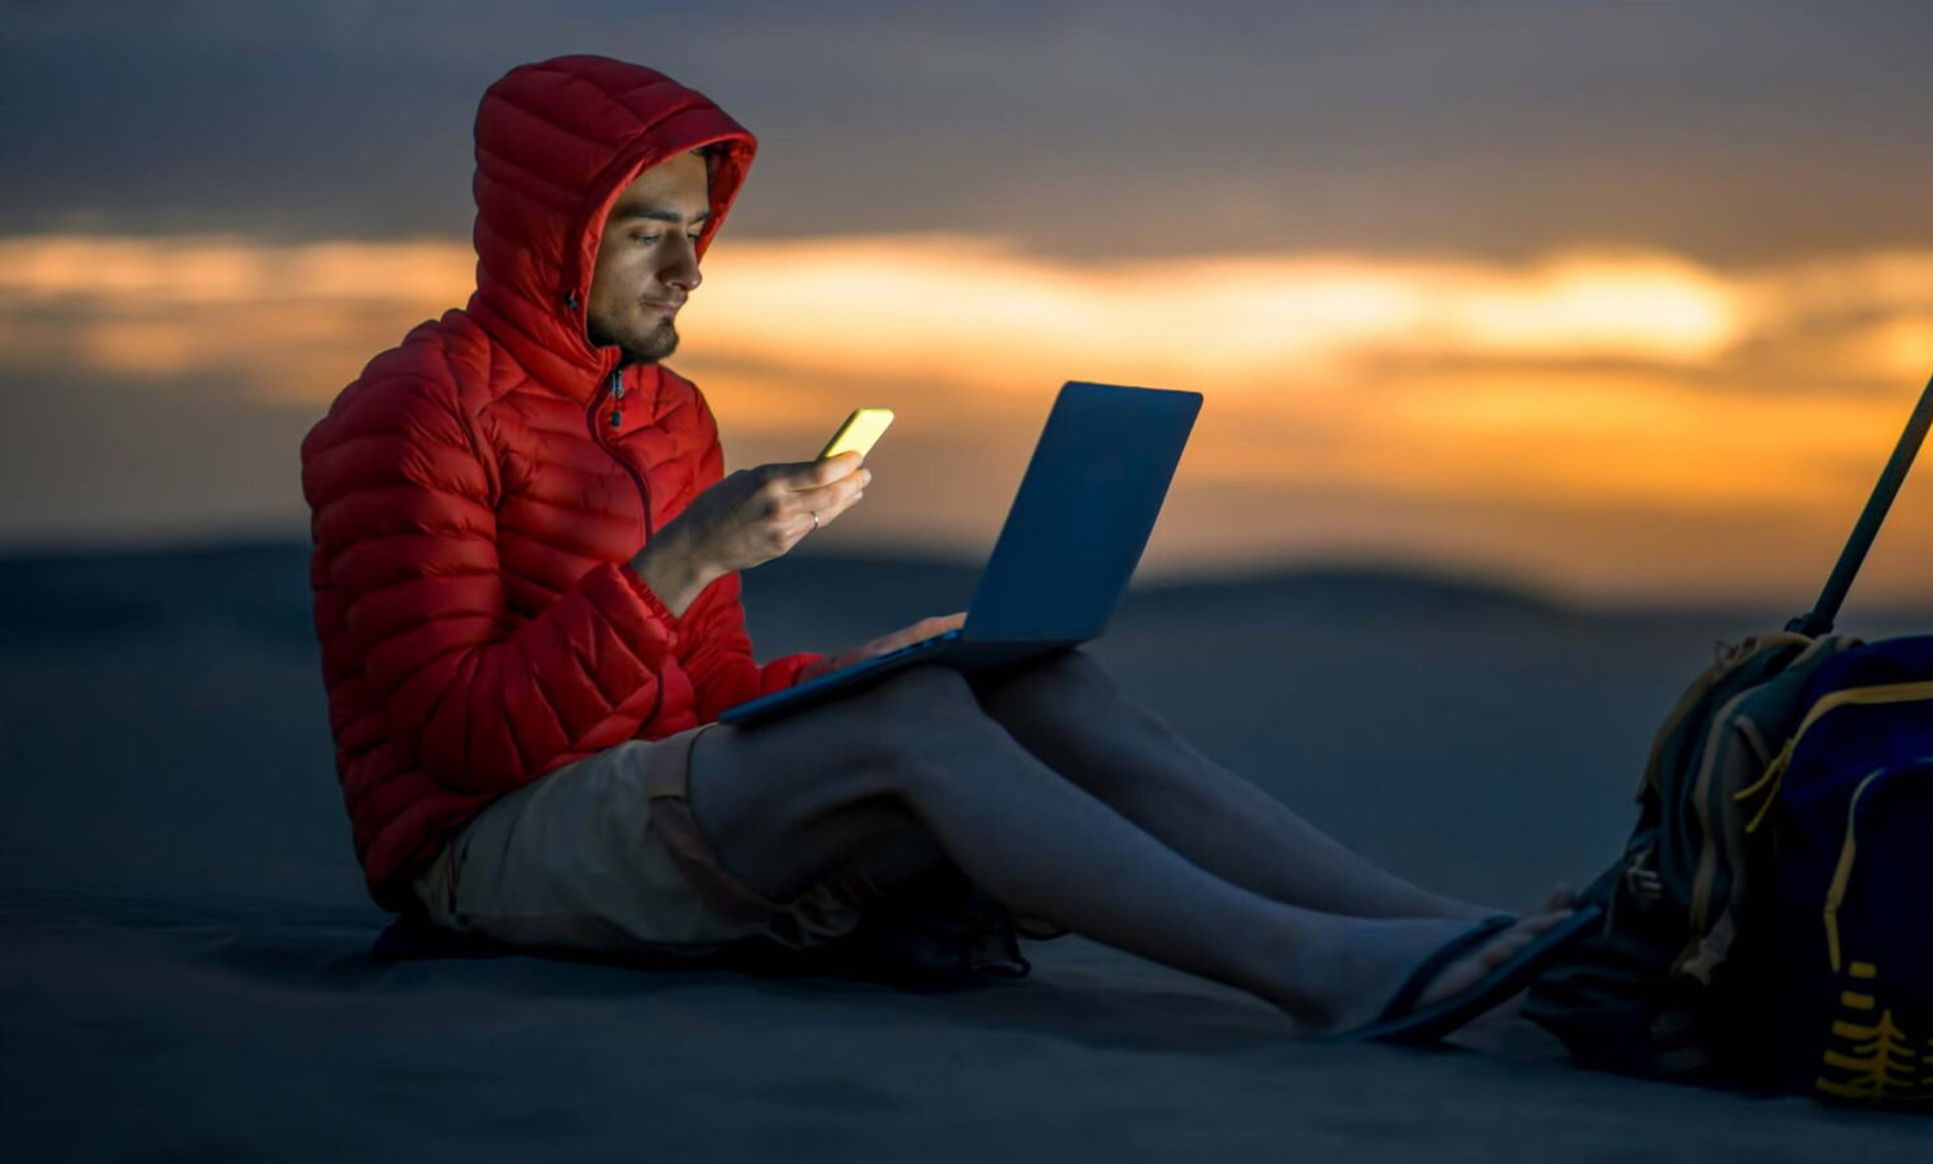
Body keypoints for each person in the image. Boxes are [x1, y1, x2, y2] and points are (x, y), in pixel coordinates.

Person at [300, 54, 1593, 1043]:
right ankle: (1318, 970)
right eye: (647, 231)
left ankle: (1439, 934)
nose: (688, 268)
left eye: (697, 229)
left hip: (648, 803)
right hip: (481, 853)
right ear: (553, 233)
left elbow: (695, 700)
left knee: (1021, 683)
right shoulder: (413, 416)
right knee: (908, 730)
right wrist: (685, 558)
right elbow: (458, 739)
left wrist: (860, 666)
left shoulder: (667, 414)